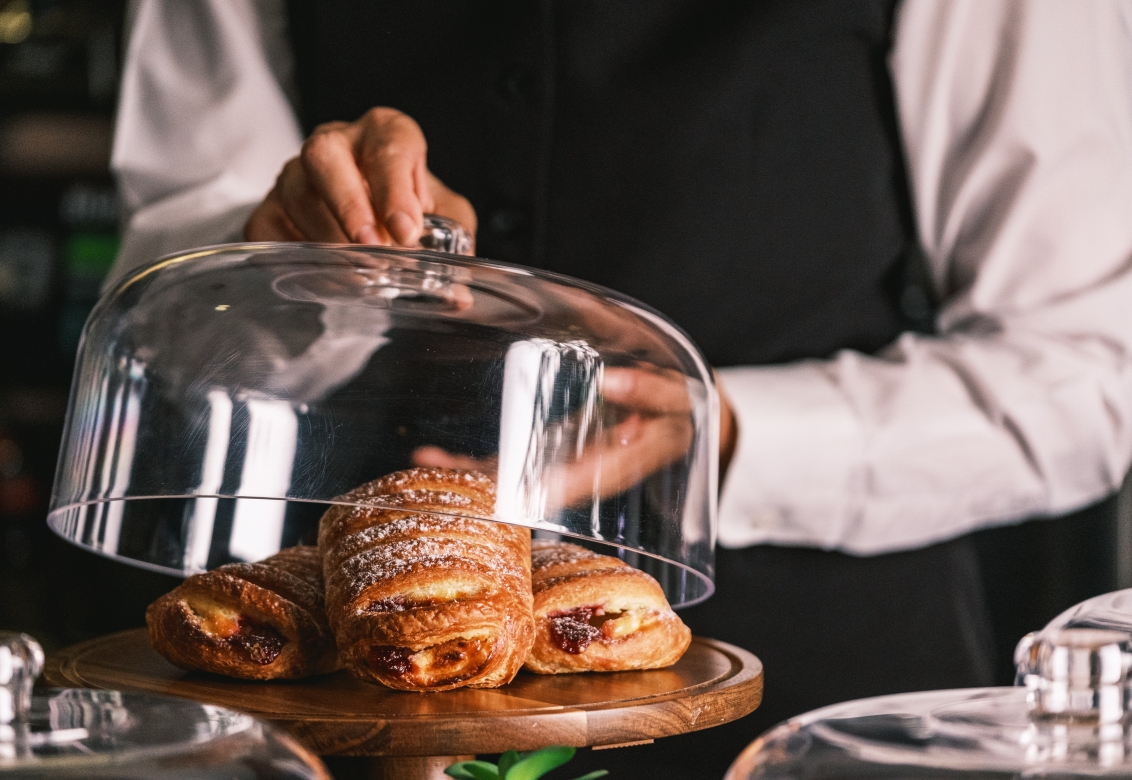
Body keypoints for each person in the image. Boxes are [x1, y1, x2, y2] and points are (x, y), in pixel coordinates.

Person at [109, 0, 1132, 775]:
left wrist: (727, 433)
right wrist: (282, 262)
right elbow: (166, 276)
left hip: (816, 711)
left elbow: (1090, 365)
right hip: (322, 696)